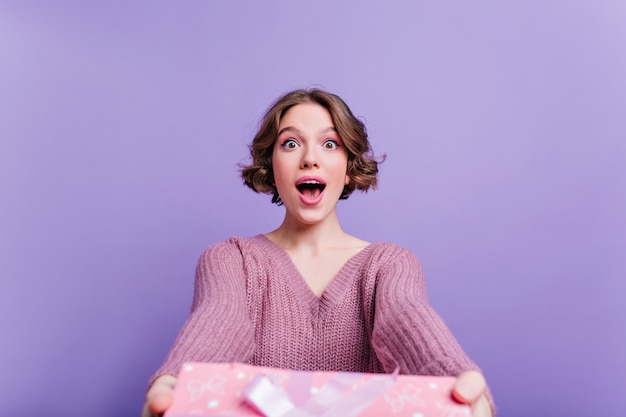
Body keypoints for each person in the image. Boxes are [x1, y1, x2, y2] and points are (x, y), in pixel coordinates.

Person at [142, 89, 494, 417]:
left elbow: (404, 317)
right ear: (271, 164)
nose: (310, 158)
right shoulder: (232, 259)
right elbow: (221, 319)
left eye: (329, 144)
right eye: (291, 143)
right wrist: (177, 380)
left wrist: (455, 380)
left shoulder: (389, 264)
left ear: (349, 165)